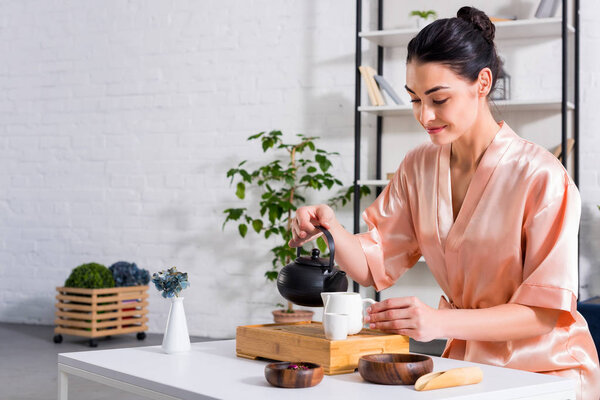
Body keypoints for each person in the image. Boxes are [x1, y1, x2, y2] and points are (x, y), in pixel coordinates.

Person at [289, 6, 600, 400]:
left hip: (548, 370)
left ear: (482, 83)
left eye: (438, 99)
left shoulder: (541, 177)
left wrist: (438, 321)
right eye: (415, 99)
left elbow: (542, 313)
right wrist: (328, 228)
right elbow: (373, 263)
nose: (424, 115)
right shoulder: (417, 166)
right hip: (466, 366)